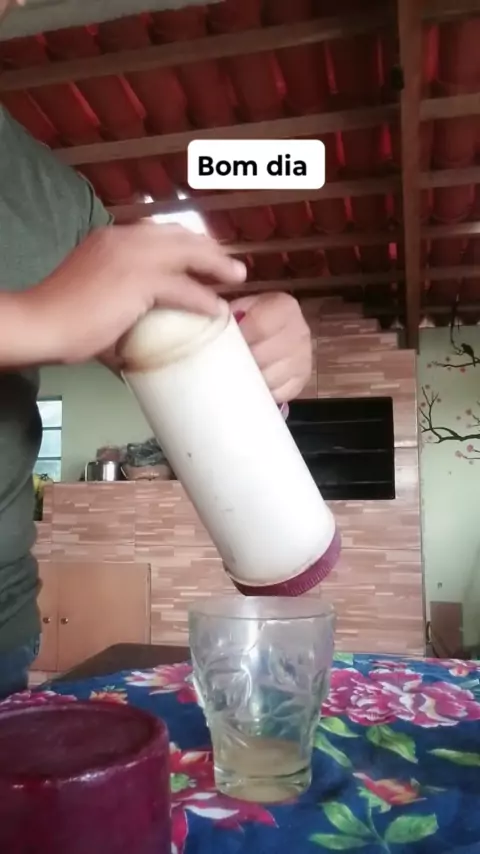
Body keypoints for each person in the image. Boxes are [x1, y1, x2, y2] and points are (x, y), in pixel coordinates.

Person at [0, 0, 312, 698]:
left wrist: (249, 343)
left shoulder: (57, 198)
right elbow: (59, 315)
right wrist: (34, 317)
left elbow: (152, 334)